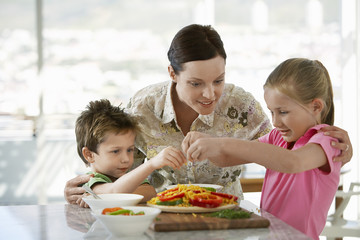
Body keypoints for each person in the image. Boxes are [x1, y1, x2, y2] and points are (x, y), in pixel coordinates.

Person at [64, 24, 353, 205]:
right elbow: (117, 163)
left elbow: (287, 144)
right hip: (158, 222)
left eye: (218, 80)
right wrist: (91, 188)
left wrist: (343, 150)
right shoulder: (142, 108)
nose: (209, 94)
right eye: (196, 83)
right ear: (172, 74)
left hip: (228, 221)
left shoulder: (241, 104)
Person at [182, 58, 342, 239]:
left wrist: (220, 143)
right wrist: (206, 145)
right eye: (271, 112)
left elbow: (292, 162)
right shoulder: (277, 137)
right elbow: (227, 159)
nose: (275, 121)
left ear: (315, 107)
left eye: (283, 112)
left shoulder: (328, 141)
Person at [74, 99, 185, 207]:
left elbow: (150, 191)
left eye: (130, 150)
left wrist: (109, 195)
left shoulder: (127, 176)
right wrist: (152, 164)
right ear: (89, 154)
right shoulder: (91, 181)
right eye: (115, 151)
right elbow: (115, 192)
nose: (126, 159)